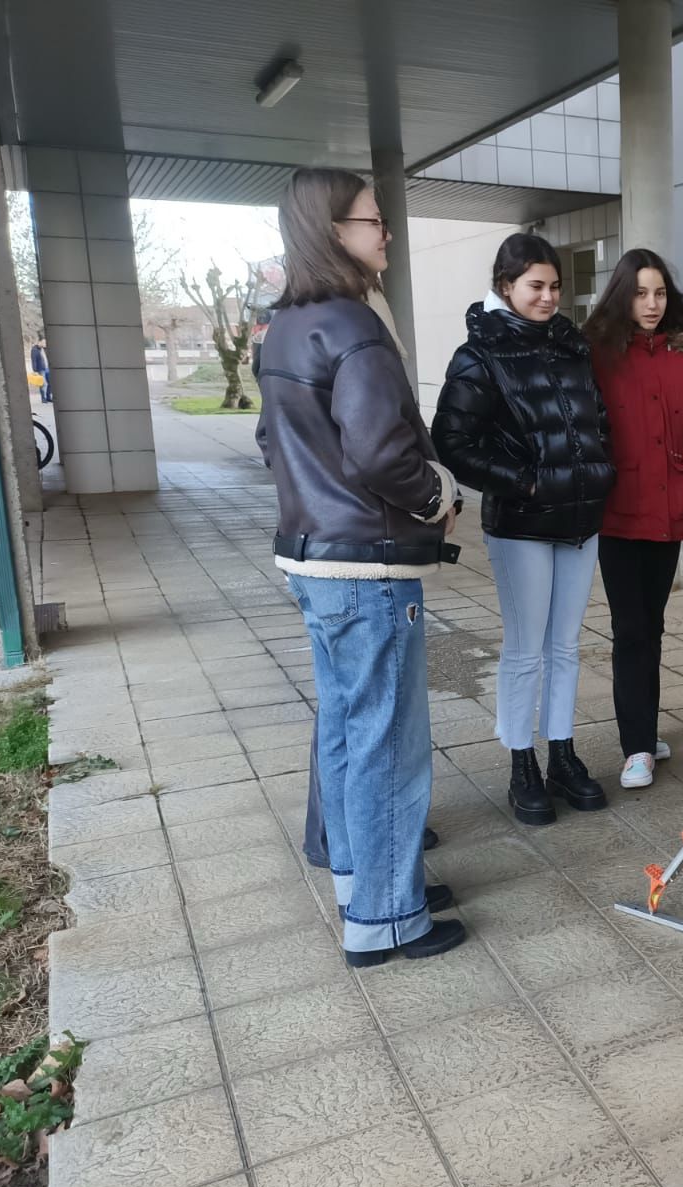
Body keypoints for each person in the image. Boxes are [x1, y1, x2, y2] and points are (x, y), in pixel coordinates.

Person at [255, 167, 464, 967]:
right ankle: (387, 918)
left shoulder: (285, 327)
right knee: (389, 745)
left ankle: (363, 881)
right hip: (367, 568)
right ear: (333, 231)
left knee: (347, 732)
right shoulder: (354, 328)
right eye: (374, 221)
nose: (387, 234)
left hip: (311, 558)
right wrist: (437, 494)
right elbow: (383, 451)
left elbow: (273, 444)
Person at [432, 234, 615, 825]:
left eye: (555, 286)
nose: (548, 297)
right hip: (522, 524)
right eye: (535, 286)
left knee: (566, 647)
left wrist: (598, 471)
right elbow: (453, 442)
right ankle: (521, 762)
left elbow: (596, 418)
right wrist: (526, 482)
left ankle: (561, 752)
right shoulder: (478, 353)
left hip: (581, 518)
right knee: (525, 651)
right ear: (505, 286)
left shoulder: (570, 344)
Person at [584, 249, 683, 789]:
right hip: (618, 515)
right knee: (631, 629)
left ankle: (645, 728)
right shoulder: (598, 353)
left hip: (668, 514)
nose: (652, 303)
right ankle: (635, 746)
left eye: (660, 292)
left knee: (653, 627)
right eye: (641, 293)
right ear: (622, 295)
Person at [31, 338, 49, 403]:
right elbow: (34, 360)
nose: (45, 344)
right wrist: (35, 370)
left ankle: (48, 397)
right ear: (39, 342)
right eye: (43, 342)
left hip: (46, 368)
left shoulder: (43, 349)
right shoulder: (35, 349)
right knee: (43, 384)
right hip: (40, 369)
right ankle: (43, 398)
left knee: (48, 383)